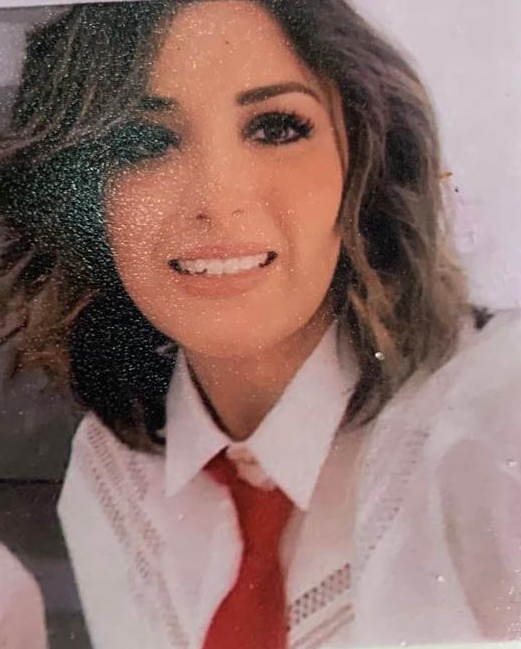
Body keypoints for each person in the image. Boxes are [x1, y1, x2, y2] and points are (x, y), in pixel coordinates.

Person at [0, 1, 520, 648]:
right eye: (142, 142)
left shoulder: (495, 428)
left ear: (362, 162)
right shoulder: (107, 472)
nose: (218, 200)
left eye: (276, 128)